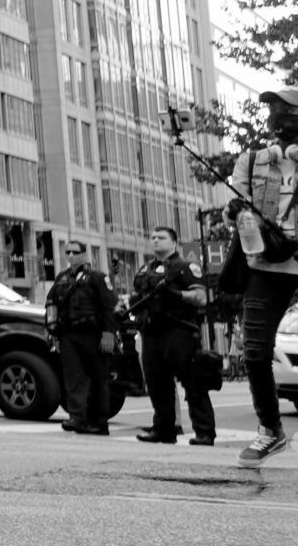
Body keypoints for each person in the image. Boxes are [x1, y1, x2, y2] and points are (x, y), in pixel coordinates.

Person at [227, 89, 298, 466]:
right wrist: (236, 212)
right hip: (266, 266)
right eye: (273, 109)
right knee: (255, 351)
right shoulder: (252, 161)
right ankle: (270, 430)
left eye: (286, 109)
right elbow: (235, 212)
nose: (277, 116)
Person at [127, 225, 214, 446]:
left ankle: (204, 432)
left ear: (173, 242)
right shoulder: (144, 270)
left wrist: (176, 295)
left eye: (161, 237)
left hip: (179, 331)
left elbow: (201, 298)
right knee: (157, 384)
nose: (155, 240)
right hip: (151, 332)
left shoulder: (186, 267)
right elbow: (136, 298)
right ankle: (164, 429)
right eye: (153, 237)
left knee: (193, 383)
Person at [46, 241, 118, 435]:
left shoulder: (97, 277)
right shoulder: (62, 278)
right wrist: (52, 331)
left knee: (98, 378)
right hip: (69, 335)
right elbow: (51, 304)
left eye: (74, 252)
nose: (70, 255)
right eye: (67, 251)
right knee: (73, 378)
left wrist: (109, 333)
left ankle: (99, 421)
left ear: (85, 255)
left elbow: (109, 307)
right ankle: (77, 418)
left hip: (93, 335)